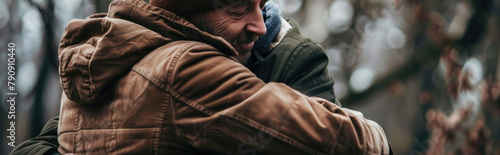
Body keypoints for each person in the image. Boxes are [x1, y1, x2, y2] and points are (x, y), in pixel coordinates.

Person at [12, 0, 389, 154]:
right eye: (239, 7)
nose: (259, 23)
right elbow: (349, 141)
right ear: (187, 9)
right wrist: (368, 128)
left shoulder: (108, 56)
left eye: (261, 3)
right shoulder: (183, 68)